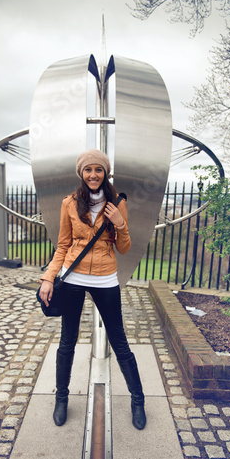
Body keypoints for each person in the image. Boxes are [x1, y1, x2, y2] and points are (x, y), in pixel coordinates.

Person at [38, 149, 146, 430]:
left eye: (98, 170)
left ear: (105, 173)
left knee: (119, 342)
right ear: (81, 174)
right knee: (67, 341)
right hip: (72, 276)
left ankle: (138, 399)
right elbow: (63, 245)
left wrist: (121, 224)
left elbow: (123, 248)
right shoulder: (70, 203)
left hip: (105, 277)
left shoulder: (117, 202)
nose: (93, 175)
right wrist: (49, 278)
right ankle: (61, 398)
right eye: (88, 170)